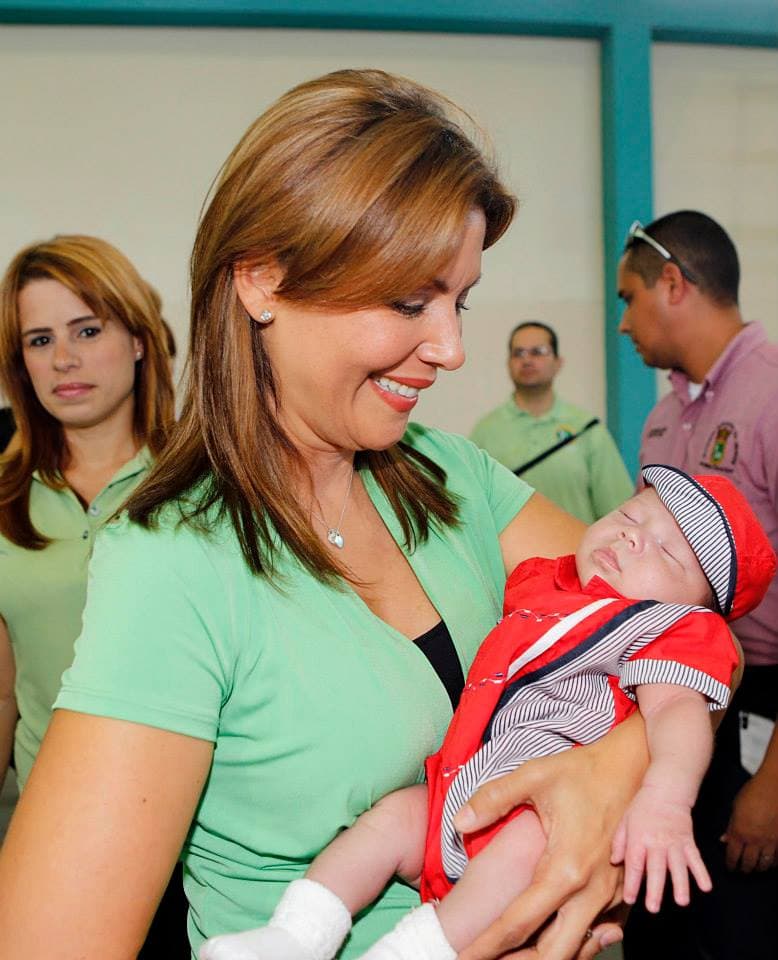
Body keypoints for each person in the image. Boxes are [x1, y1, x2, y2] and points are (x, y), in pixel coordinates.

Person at [0, 71, 698, 960]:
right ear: (261, 281)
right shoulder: (175, 557)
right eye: (409, 301)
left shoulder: (456, 479)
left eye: (460, 300)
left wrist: (610, 774)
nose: (450, 348)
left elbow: (682, 621)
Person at [200, 465, 774, 960]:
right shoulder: (546, 584)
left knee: (516, 860)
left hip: (541, 815)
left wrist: (666, 799)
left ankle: (414, 950)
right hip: (461, 791)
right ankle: (292, 936)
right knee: (388, 821)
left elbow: (679, 712)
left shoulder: (668, 629)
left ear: (700, 605)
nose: (631, 538)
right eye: (631, 515)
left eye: (667, 549)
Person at [0, 234, 184, 957]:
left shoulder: (203, 487)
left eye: (86, 330)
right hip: (48, 842)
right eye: (39, 340)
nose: (64, 360)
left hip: (189, 848)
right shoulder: (6, 499)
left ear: (139, 339)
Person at [617, 210, 778, 959]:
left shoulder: (771, 395)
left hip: (762, 713)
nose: (622, 324)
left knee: (739, 930)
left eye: (628, 298)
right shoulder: (660, 418)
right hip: (673, 692)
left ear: (672, 284)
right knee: (658, 925)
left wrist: (775, 785)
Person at [470, 322, 633, 523]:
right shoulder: (486, 431)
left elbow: (618, 511)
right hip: (506, 554)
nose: (527, 360)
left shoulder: (586, 428)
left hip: (577, 552)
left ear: (558, 362)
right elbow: (472, 509)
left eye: (538, 352)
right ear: (508, 364)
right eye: (518, 353)